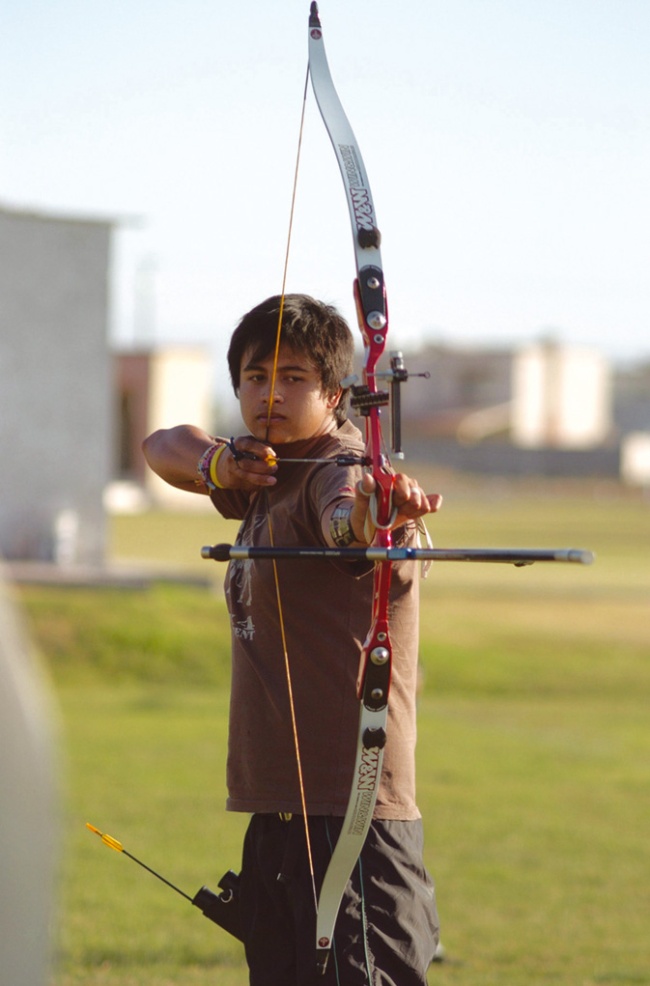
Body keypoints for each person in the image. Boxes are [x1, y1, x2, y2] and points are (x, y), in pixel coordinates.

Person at [143, 293, 442, 986]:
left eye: (293, 377)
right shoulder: (264, 469)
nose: (269, 394)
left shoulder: (336, 467)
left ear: (335, 393)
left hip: (352, 815)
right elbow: (161, 445)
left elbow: (346, 522)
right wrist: (220, 465)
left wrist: (374, 515)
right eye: (255, 376)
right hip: (281, 812)